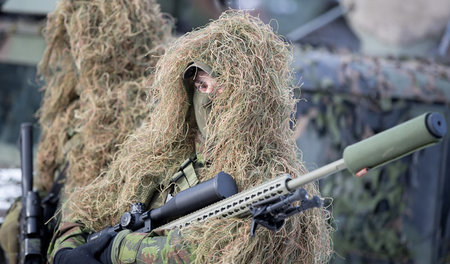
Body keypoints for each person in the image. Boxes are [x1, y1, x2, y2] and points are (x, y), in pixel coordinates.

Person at [51, 11, 332, 263]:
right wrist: (69, 251)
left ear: (251, 96)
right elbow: (84, 213)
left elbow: (210, 252)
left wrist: (120, 249)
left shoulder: (269, 179)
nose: (207, 95)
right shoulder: (156, 156)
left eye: (219, 86)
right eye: (200, 84)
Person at [0, 0, 172, 263]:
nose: (80, 49)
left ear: (120, 39)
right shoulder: (69, 106)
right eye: (75, 38)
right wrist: (26, 213)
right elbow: (48, 180)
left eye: (91, 34)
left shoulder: (152, 111)